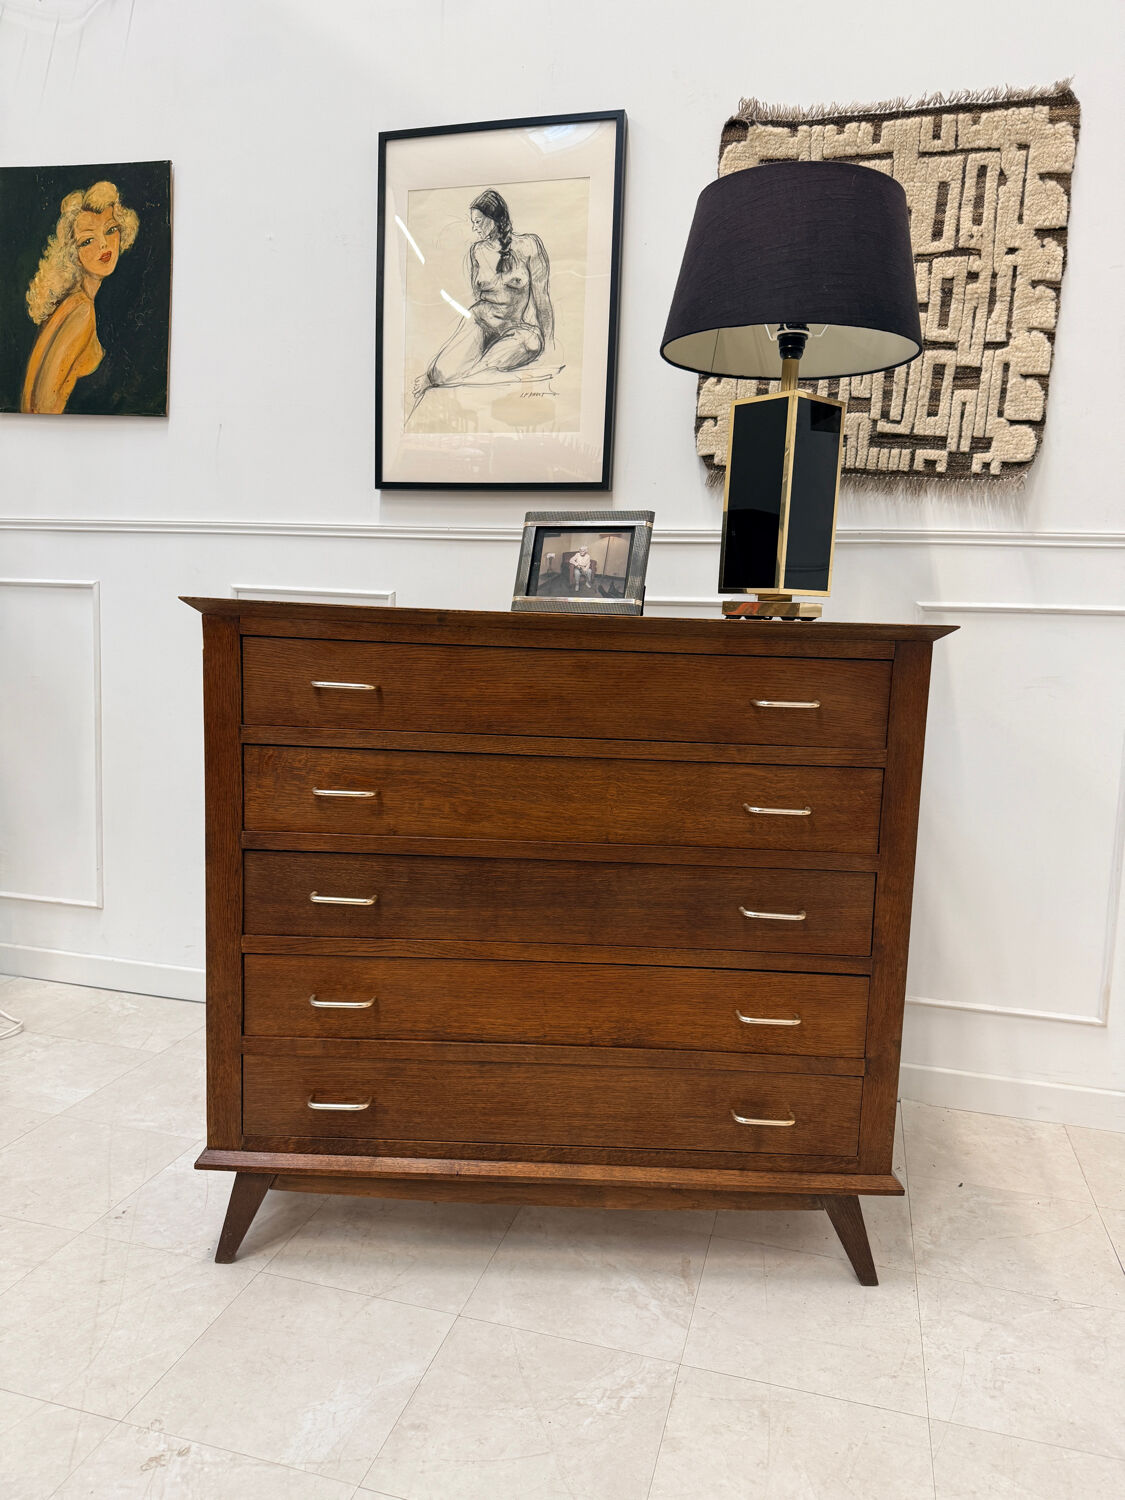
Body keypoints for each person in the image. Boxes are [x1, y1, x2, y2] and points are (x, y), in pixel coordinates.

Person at [412, 189, 555, 410]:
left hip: (520, 328)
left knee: (486, 366)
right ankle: (432, 381)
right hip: (482, 321)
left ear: (495, 218)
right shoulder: (476, 251)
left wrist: (548, 340)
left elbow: (542, 297)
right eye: (473, 222)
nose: (475, 226)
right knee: (441, 372)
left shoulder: (529, 246)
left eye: (479, 221)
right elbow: (480, 296)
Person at [21, 181, 139, 415]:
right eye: (87, 240)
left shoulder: (70, 305)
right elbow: (41, 409)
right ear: (72, 254)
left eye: (110, 229)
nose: (104, 244)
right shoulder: (81, 311)